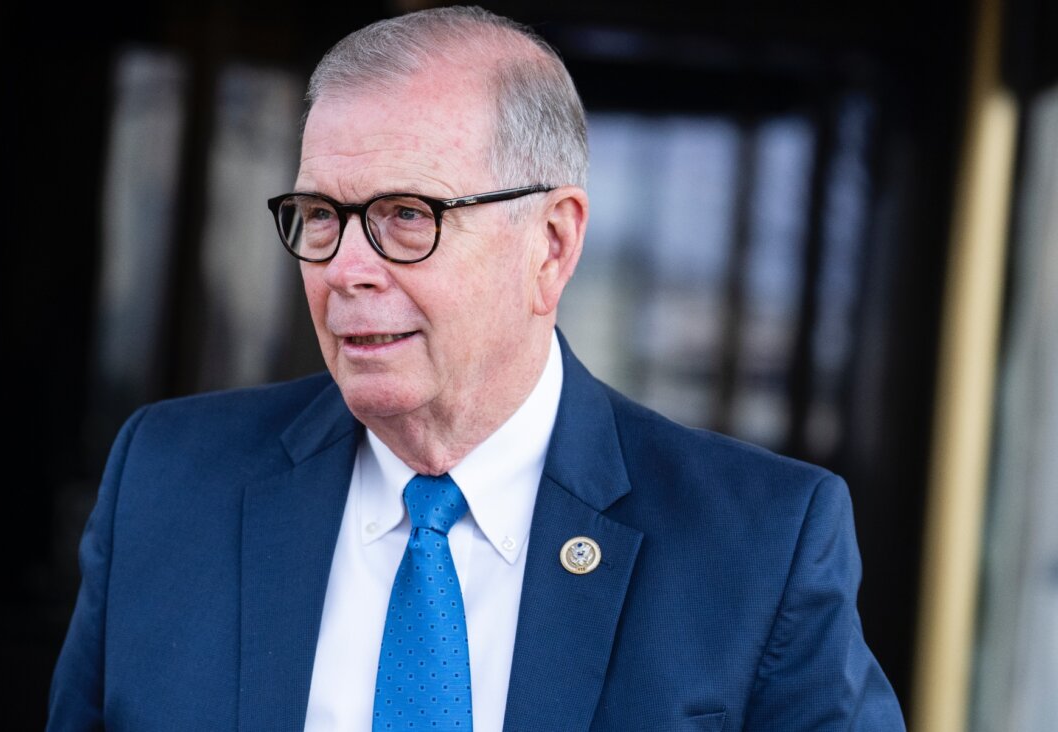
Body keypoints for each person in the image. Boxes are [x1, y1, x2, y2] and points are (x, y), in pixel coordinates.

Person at [48, 6, 904, 730]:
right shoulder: (167, 480)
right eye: (320, 215)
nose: (347, 266)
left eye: (405, 215)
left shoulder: (758, 548)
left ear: (552, 244)